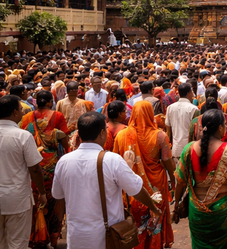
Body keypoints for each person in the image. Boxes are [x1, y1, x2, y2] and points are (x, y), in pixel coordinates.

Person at [52, 111, 161, 249]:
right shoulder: (111, 160)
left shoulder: (63, 162)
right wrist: (154, 208)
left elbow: (59, 201)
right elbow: (137, 190)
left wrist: (58, 227)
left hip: (76, 236)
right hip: (107, 237)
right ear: (102, 133)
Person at [174, 109, 227, 249]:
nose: (226, 127)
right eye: (225, 124)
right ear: (219, 127)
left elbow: (180, 183)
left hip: (198, 214)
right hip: (224, 214)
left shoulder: (188, 149)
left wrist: (176, 205)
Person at [113, 100, 176, 249]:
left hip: (130, 188)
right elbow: (168, 162)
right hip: (156, 187)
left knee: (135, 220)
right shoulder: (160, 136)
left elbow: (115, 161)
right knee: (155, 220)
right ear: (151, 114)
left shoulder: (121, 136)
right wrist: (173, 180)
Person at [19, 90, 69, 248]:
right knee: (55, 200)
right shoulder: (57, 116)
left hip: (33, 164)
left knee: (36, 201)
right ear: (49, 102)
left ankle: (35, 235)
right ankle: (53, 236)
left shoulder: (27, 117)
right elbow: (65, 140)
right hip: (52, 166)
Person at [0, 95, 46, 249]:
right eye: (20, 109)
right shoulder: (23, 136)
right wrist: (42, 192)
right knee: (17, 243)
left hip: (14, 198)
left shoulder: (22, 135)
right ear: (14, 113)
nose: (22, 112)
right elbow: (34, 168)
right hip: (16, 199)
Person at [165, 83, 199, 164]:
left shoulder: (170, 108)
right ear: (188, 93)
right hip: (190, 149)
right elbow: (197, 132)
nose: (193, 94)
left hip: (176, 150)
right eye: (192, 92)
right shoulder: (194, 109)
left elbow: (168, 132)